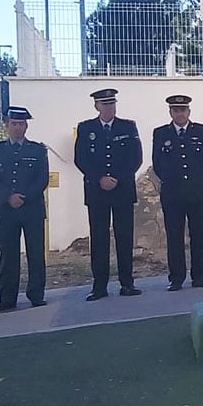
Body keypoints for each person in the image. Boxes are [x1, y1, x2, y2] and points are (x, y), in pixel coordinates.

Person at [74, 88, 143, 300]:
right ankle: (99, 286)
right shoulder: (86, 128)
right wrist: (99, 179)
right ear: (97, 106)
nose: (109, 108)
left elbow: (135, 158)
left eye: (112, 104)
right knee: (99, 239)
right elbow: (81, 158)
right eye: (105, 104)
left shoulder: (128, 127)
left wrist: (116, 179)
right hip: (97, 192)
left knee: (124, 238)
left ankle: (127, 283)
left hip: (122, 190)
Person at [0, 106, 50, 313]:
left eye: (21, 124)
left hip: (31, 209)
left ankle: (36, 294)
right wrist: (8, 197)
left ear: (26, 126)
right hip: (6, 210)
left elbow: (42, 178)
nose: (17, 128)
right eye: (13, 124)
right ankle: (7, 298)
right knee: (8, 255)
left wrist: (24, 197)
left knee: (35, 253)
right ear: (7, 125)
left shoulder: (37, 150)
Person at [152, 94, 203, 291]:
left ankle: (199, 275)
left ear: (189, 112)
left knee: (199, 235)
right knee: (174, 236)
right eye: (176, 110)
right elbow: (158, 163)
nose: (180, 113)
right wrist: (173, 180)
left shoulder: (201, 132)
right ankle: (176, 277)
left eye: (183, 110)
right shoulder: (161, 133)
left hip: (198, 192)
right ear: (170, 112)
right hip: (173, 194)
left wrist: (197, 179)